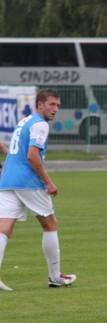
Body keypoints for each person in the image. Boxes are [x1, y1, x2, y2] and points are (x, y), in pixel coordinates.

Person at [0, 89, 77, 291]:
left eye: (58, 105)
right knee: (50, 224)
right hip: (28, 181)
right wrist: (49, 182)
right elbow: (32, 155)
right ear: (40, 104)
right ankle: (55, 277)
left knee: (3, 228)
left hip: (7, 179)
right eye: (51, 104)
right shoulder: (40, 124)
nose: (55, 109)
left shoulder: (25, 121)